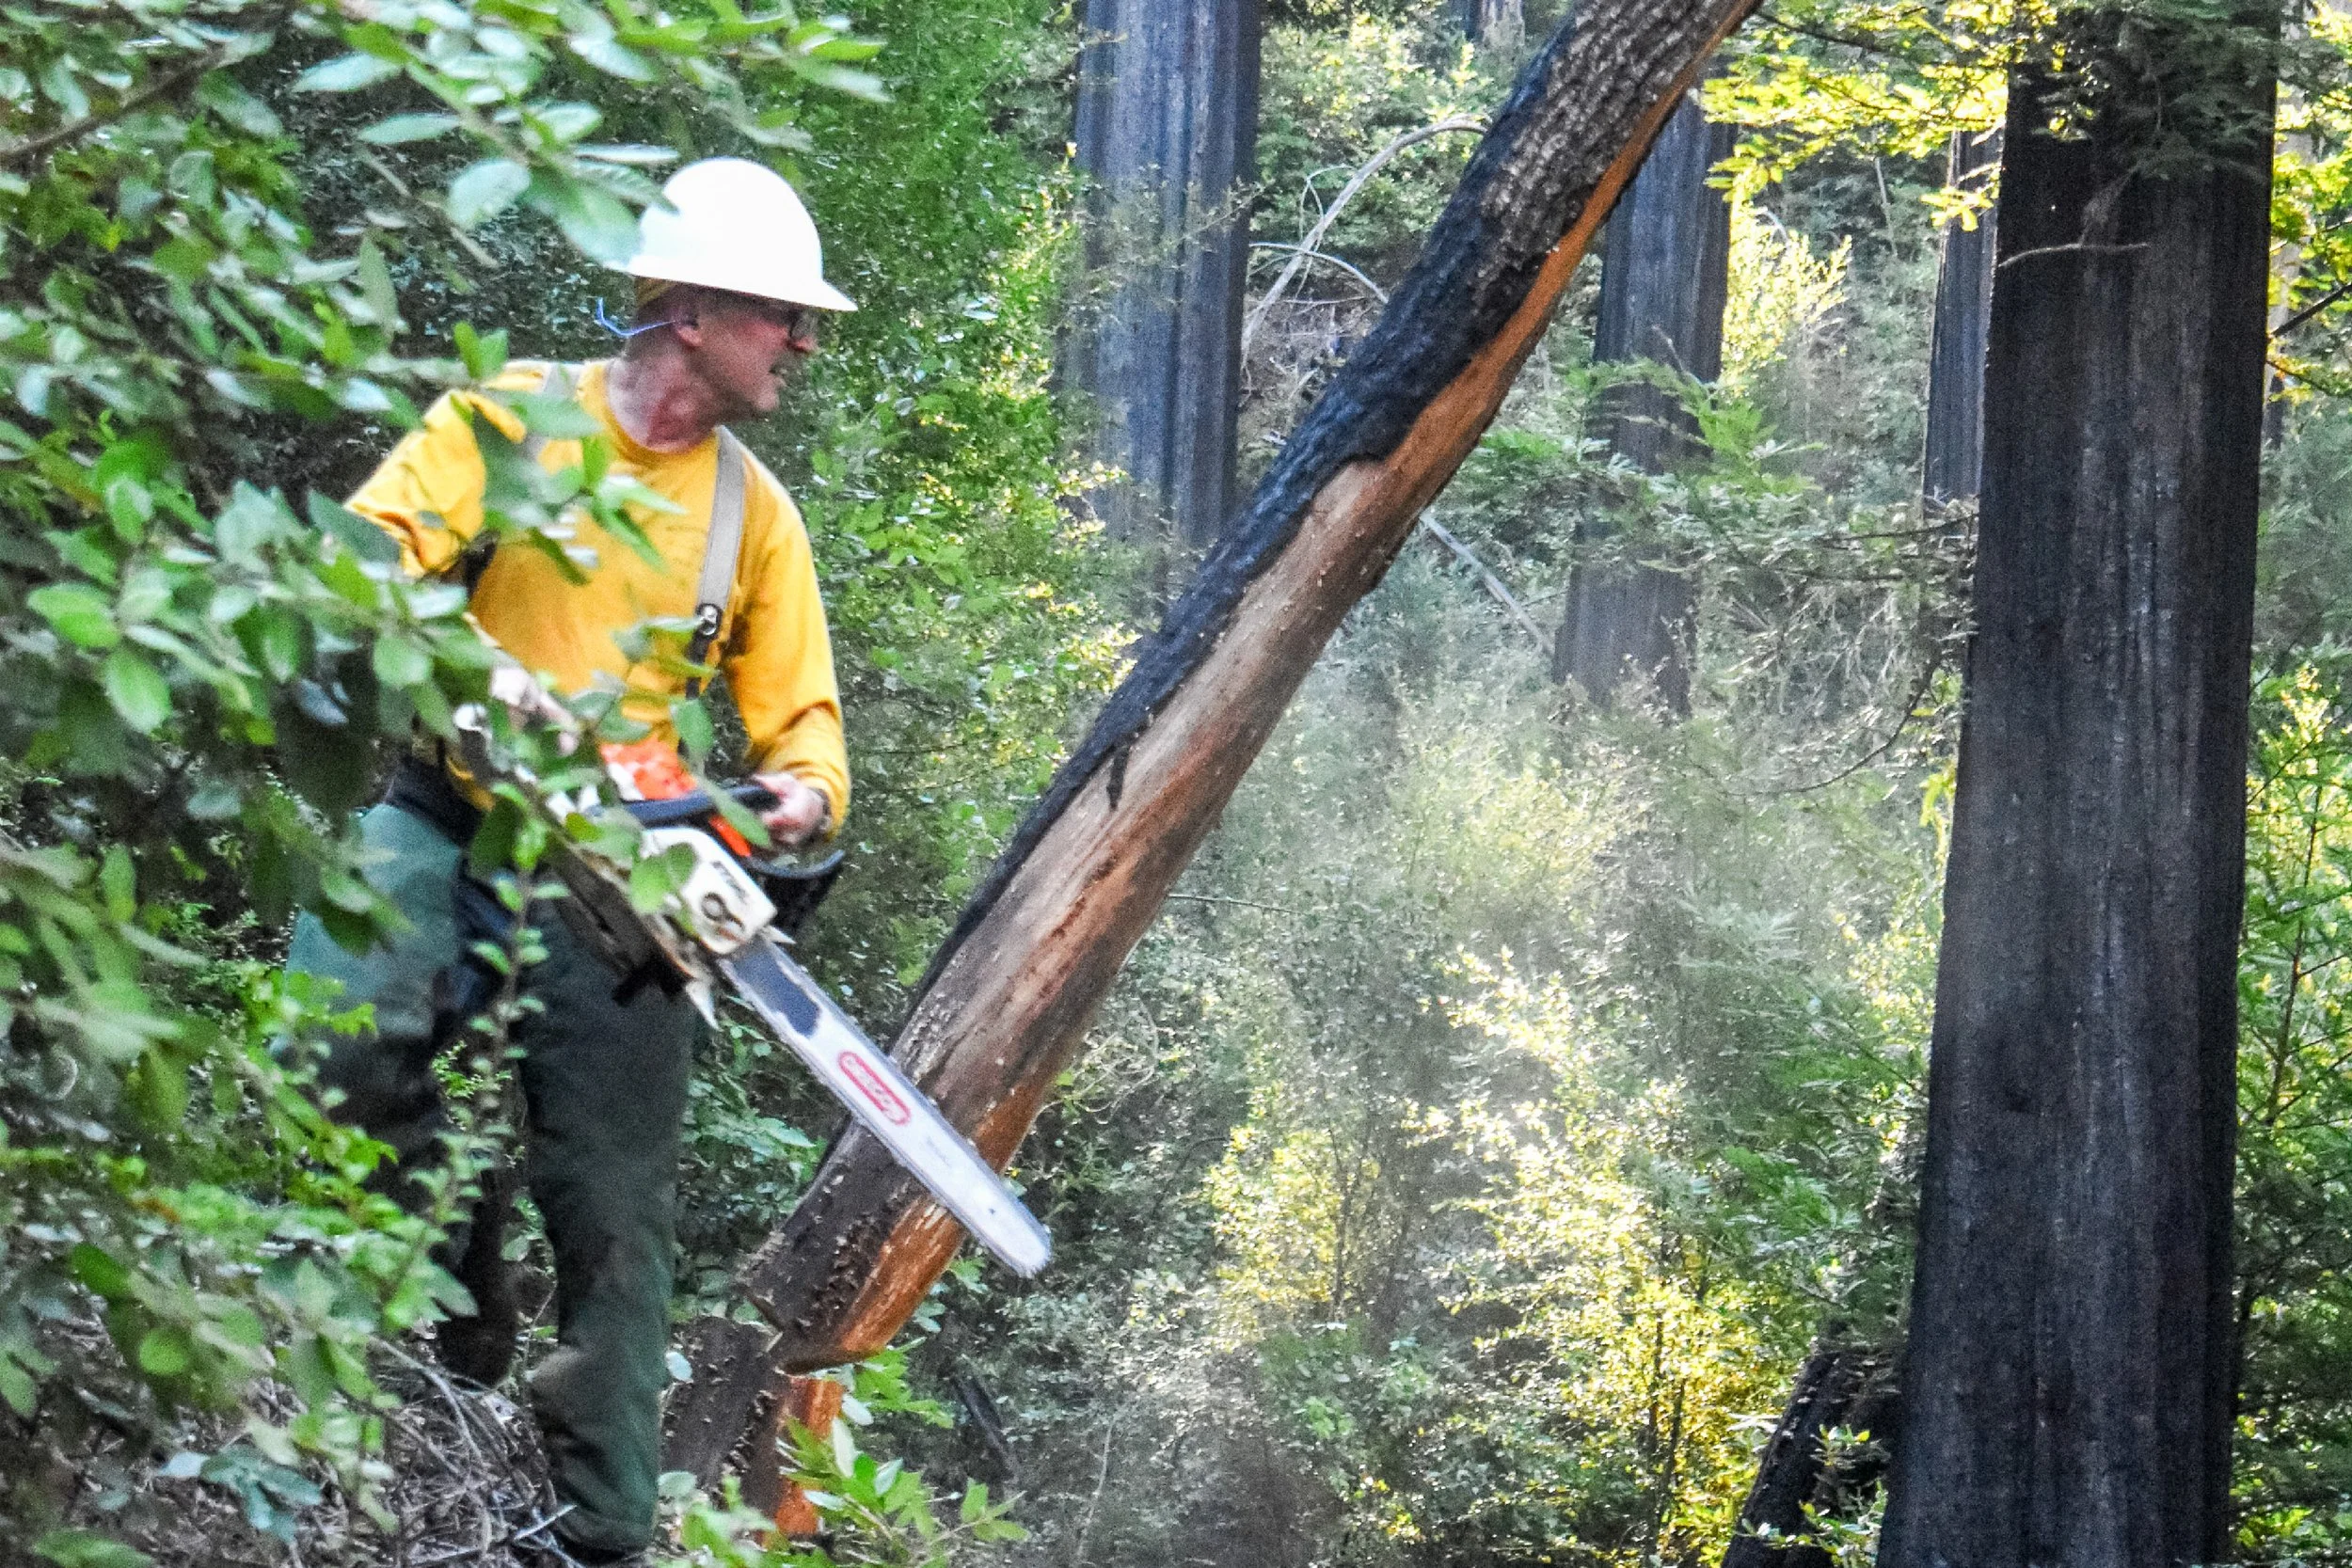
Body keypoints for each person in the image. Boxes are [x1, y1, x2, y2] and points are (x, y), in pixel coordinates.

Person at [284, 158, 855, 1565]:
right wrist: (476, 664)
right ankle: (449, 1323)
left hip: (619, 884)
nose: (802, 341)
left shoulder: (749, 514)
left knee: (611, 1210)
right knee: (341, 1041)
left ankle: (602, 1532)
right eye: (784, 315)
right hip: (449, 808)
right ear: (696, 311)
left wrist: (786, 805)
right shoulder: (506, 423)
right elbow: (358, 557)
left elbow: (808, 740)